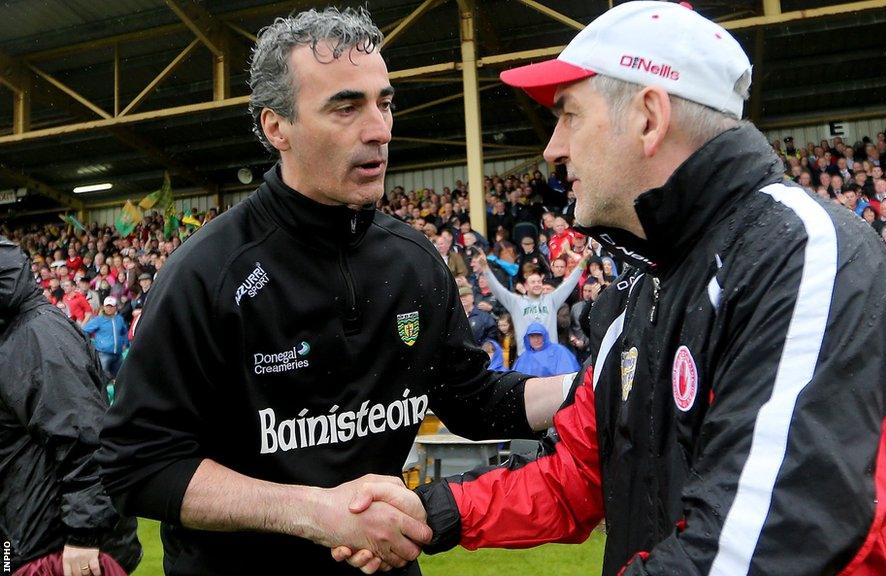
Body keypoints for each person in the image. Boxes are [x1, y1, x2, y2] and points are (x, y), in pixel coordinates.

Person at [352, 4, 886, 575]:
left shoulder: (806, 258)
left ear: (649, 117)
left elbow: (752, 547)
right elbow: (577, 476)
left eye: (568, 114)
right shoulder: (639, 290)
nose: (552, 149)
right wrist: (435, 512)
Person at [96, 8, 567, 576]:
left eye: (384, 102)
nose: (379, 129)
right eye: (346, 106)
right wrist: (317, 512)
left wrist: (591, 388)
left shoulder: (414, 260)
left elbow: (471, 399)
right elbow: (138, 466)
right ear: (277, 128)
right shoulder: (208, 273)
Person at [0, 238, 141, 575]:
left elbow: (87, 438)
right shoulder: (14, 336)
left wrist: (83, 535)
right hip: (26, 536)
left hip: (58, 550)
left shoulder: (38, 335)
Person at [475, 250, 585, 344]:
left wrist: (583, 261)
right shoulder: (517, 302)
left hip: (550, 356)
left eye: (539, 281)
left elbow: (570, 283)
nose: (537, 284)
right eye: (533, 282)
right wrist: (485, 269)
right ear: (525, 286)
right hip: (526, 358)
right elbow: (497, 289)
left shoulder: (551, 299)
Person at [83, 296, 129, 381]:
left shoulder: (119, 319)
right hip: (103, 354)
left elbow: (124, 332)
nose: (109, 309)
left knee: (119, 378)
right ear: (103, 307)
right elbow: (85, 331)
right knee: (102, 378)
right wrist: (90, 344)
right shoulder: (99, 320)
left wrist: (125, 344)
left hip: (118, 354)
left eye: (111, 306)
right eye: (107, 306)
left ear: (115, 307)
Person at [511, 322, 581, 378]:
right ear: (528, 339)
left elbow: (568, 376)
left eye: (539, 335)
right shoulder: (523, 358)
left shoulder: (559, 351)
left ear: (544, 336)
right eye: (532, 336)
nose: (536, 340)